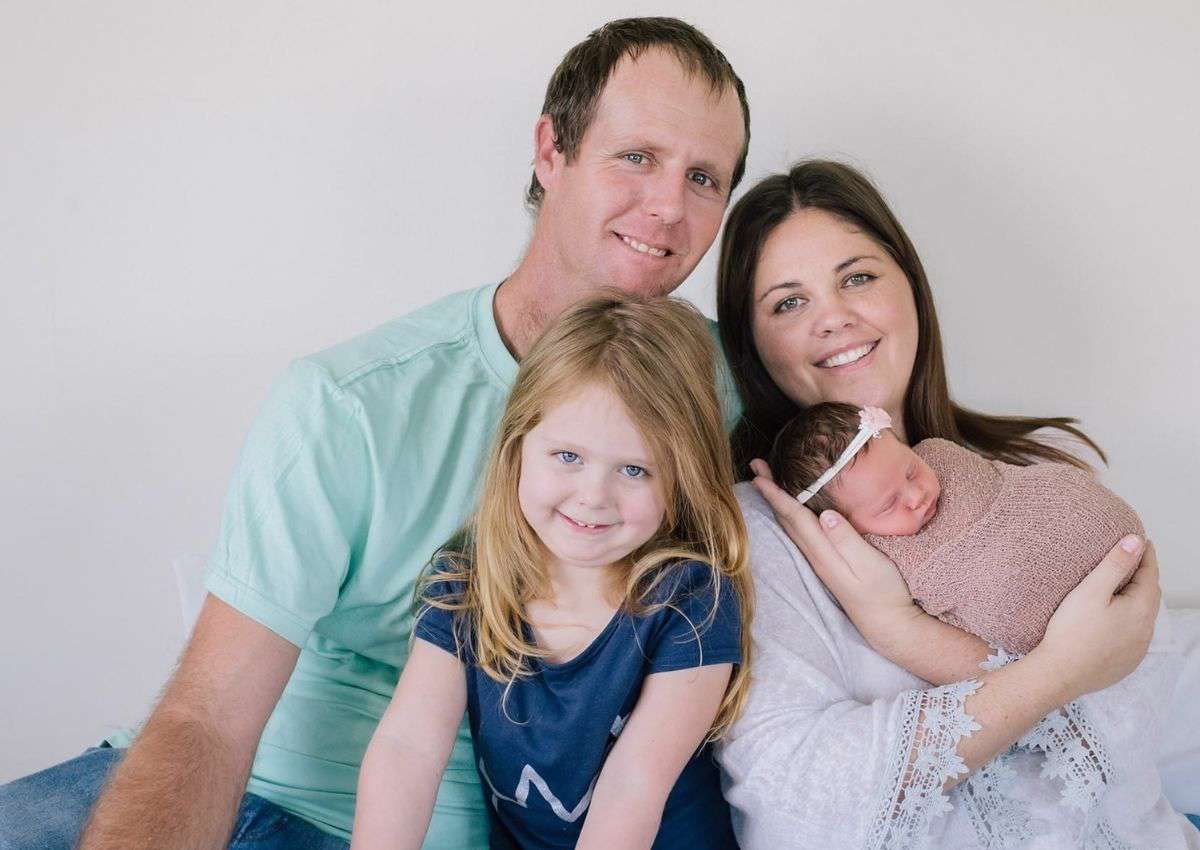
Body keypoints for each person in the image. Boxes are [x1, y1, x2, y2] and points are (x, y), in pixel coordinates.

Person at [0, 17, 750, 850]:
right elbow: (209, 716)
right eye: (637, 156)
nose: (668, 206)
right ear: (552, 151)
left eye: (704, 178)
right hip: (238, 781)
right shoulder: (352, 402)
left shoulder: (728, 394)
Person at [713, 160, 1194, 847]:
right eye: (788, 303)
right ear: (752, 345)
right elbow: (798, 802)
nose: (835, 317)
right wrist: (911, 634)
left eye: (857, 277)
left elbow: (1138, 719)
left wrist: (920, 637)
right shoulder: (751, 537)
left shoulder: (1035, 471)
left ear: (911, 285)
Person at [351, 292, 751, 849]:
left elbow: (634, 787)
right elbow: (409, 748)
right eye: (568, 457)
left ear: (681, 478)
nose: (593, 496)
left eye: (635, 469)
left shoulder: (689, 598)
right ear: (517, 447)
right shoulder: (467, 583)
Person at [770, 401, 1143, 653]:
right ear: (842, 526)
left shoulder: (942, 455)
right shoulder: (876, 559)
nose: (916, 496)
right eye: (888, 505)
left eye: (911, 470)